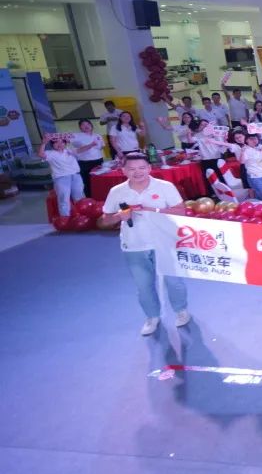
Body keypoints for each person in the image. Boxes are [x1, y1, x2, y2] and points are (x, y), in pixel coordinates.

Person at [101, 153, 189, 335]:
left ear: (149, 168)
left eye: (142, 168)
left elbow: (181, 212)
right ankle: (152, 317)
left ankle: (181, 311)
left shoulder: (165, 187)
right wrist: (119, 216)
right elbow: (104, 220)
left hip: (165, 243)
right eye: (132, 169)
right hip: (134, 245)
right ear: (123, 171)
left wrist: (153, 209)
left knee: (174, 282)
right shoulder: (117, 191)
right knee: (143, 286)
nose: (137, 172)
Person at [39, 134, 85, 217]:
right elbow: (41, 154)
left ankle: (81, 216)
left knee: (79, 197)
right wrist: (43, 143)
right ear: (52, 144)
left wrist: (71, 141)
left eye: (62, 142)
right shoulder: (50, 153)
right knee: (64, 199)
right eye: (56, 142)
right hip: (61, 178)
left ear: (65, 143)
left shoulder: (69, 150)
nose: (59, 144)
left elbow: (81, 149)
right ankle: (65, 218)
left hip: (75, 176)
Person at [227, 133, 262, 206]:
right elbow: (242, 162)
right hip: (254, 177)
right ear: (246, 140)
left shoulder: (259, 148)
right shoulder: (246, 150)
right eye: (251, 139)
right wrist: (242, 152)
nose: (254, 140)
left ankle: (259, 209)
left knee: (259, 195)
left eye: (255, 138)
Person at [70, 119, 105, 191]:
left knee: (100, 180)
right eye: (83, 125)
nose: (86, 126)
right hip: (85, 162)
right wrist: (91, 145)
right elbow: (72, 145)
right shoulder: (76, 136)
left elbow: (102, 146)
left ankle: (100, 195)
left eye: (88, 124)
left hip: (98, 160)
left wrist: (98, 146)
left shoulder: (97, 135)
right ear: (80, 127)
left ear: (91, 125)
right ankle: (89, 197)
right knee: (87, 181)